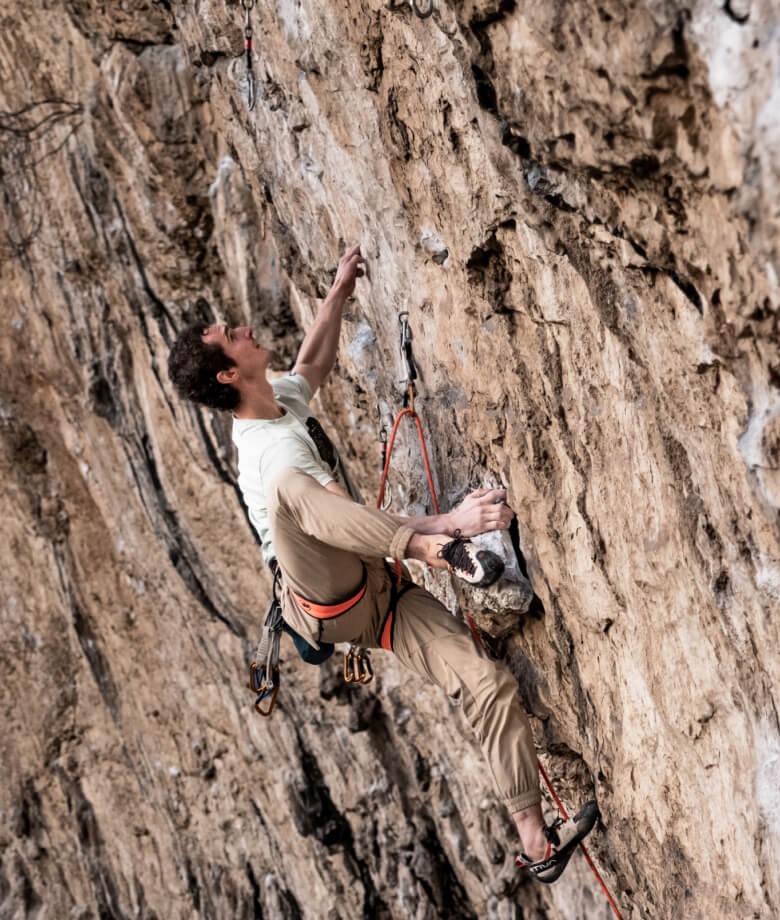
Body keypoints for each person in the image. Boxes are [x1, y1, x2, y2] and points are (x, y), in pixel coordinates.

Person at [167, 243, 598, 883]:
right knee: (301, 493)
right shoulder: (264, 455)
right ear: (228, 373)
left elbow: (311, 362)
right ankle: (442, 552)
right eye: (233, 336)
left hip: (381, 595)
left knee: (489, 685)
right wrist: (444, 530)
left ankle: (535, 841)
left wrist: (338, 291)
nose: (245, 329)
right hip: (321, 591)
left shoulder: (278, 397)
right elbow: (333, 523)